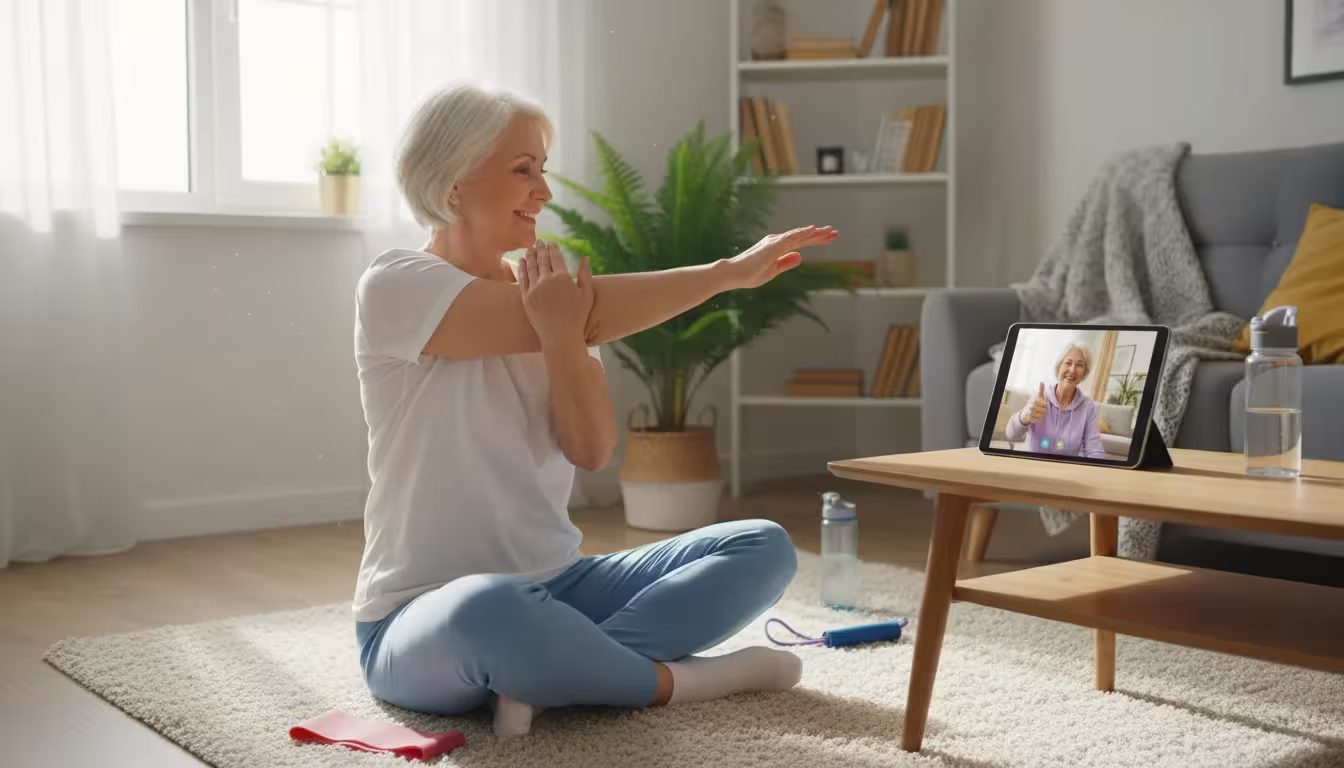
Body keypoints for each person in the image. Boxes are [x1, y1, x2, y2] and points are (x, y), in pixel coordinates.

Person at [351, 83, 840, 738]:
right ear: (454, 179)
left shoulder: (551, 298)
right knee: (492, 607)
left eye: (542, 172)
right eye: (523, 170)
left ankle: (553, 675)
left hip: (564, 586)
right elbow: (588, 310)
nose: (545, 193)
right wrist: (726, 273)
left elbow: (590, 450)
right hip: (417, 619)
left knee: (764, 548)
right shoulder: (395, 285)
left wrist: (564, 337)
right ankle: (681, 681)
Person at [1005, 343, 1105, 459]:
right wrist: (1024, 417)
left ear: (1084, 374)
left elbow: (1095, 449)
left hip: (1065, 471)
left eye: (1079, 365)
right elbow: (1011, 435)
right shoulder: (1040, 398)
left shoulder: (1087, 406)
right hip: (1033, 466)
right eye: (1068, 363)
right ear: (1058, 369)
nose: (1072, 370)